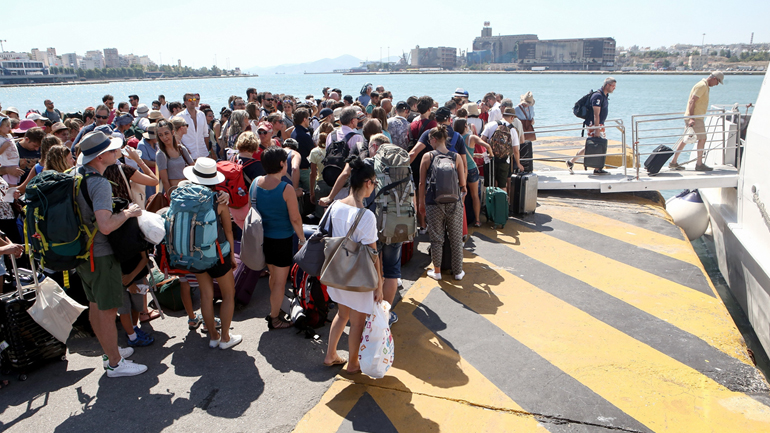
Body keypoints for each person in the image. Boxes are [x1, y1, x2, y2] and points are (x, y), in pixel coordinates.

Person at [75, 130, 147, 377]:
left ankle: (110, 351)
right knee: (107, 311)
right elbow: (105, 225)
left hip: (84, 253)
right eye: (112, 150)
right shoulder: (99, 183)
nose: (117, 152)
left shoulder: (77, 175)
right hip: (101, 254)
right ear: (100, 157)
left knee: (96, 306)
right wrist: (128, 213)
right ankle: (115, 363)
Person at [323, 155, 383, 371]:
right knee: (357, 322)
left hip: (338, 272)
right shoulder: (366, 216)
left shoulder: (335, 206)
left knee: (342, 314)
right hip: (358, 276)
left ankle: (330, 355)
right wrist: (379, 283)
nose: (374, 186)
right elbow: (373, 253)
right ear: (367, 183)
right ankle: (353, 364)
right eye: (374, 182)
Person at [175, 158, 242, 349]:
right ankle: (225, 338)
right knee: (228, 294)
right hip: (218, 254)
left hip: (195, 254)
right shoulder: (218, 200)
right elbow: (228, 231)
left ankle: (213, 336)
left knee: (205, 295)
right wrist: (231, 256)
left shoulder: (183, 197)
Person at [253, 146, 306, 330]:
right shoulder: (286, 188)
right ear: (282, 164)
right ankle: (274, 318)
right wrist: (302, 239)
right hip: (281, 240)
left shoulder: (256, 183)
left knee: (273, 276)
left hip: (263, 238)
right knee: (280, 283)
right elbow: (295, 218)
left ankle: (277, 307)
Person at [419, 126, 466, 281]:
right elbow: (462, 184)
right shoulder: (456, 157)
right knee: (456, 239)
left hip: (433, 203)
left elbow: (421, 183)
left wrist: (421, 203)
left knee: (436, 239)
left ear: (433, 139)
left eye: (429, 141)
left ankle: (437, 271)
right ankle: (458, 272)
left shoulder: (427, 157)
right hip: (454, 202)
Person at [669, 71, 725, 171]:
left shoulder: (704, 86)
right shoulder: (702, 86)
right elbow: (692, 101)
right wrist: (692, 118)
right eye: (718, 82)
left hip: (695, 117)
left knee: (686, 139)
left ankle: (674, 162)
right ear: (714, 79)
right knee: (702, 139)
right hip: (696, 118)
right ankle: (699, 164)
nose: (717, 85)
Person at [568, 77, 616, 175]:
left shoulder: (604, 96)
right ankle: (597, 168)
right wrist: (597, 128)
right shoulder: (598, 96)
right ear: (607, 85)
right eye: (613, 86)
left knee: (594, 144)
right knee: (598, 144)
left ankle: (571, 162)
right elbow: (596, 114)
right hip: (594, 124)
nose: (614, 88)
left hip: (599, 124)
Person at [455, 118, 493, 226]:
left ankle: (460, 221)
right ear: (465, 126)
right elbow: (487, 146)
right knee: (475, 195)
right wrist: (490, 154)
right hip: (471, 169)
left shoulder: (455, 138)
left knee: (461, 195)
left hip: (460, 170)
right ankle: (477, 220)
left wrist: (474, 155)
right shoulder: (471, 137)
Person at [480, 107, 523, 193]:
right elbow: (515, 150)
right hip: (504, 161)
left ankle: (487, 200)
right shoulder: (512, 129)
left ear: (503, 115)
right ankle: (502, 201)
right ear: (512, 117)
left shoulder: (490, 125)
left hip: (490, 159)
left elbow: (482, 140)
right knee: (502, 185)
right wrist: (518, 164)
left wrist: (487, 152)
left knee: (488, 185)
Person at [156, 120, 194, 194]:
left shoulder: (181, 149)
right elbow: (165, 181)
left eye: (166, 133)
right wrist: (171, 197)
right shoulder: (161, 154)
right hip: (175, 192)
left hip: (188, 189)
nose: (164, 137)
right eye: (160, 135)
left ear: (172, 132)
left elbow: (192, 167)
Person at [177, 93, 209, 160]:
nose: (192, 101)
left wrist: (207, 149)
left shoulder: (201, 114)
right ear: (185, 103)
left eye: (194, 99)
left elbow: (205, 134)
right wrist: (184, 149)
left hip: (203, 152)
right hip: (188, 154)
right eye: (190, 100)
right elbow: (176, 136)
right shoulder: (180, 117)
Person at [290, 108, 313, 193]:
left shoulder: (293, 132)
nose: (309, 121)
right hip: (305, 171)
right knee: (311, 193)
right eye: (308, 118)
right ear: (304, 119)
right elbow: (312, 152)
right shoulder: (305, 136)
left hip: (294, 170)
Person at [137, 124, 159, 197]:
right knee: (150, 197)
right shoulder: (142, 145)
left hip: (157, 174)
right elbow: (146, 162)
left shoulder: (156, 144)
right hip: (147, 176)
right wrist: (161, 163)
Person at [0, 117, 20, 186]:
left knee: (15, 182)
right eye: (7, 126)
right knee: (11, 185)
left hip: (15, 163)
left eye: (10, 125)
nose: (10, 127)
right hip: (7, 165)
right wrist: (4, 146)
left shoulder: (9, 135)